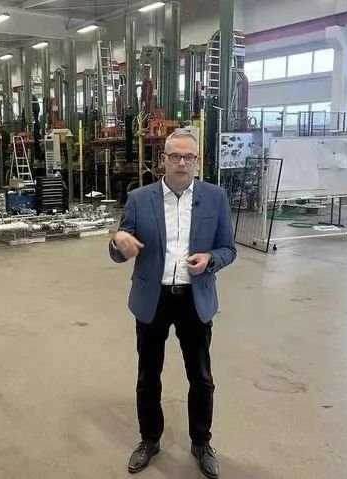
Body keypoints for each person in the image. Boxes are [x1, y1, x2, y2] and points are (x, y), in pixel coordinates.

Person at [109, 130, 237, 478]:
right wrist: (119, 242)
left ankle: (201, 442)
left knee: (201, 377)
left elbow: (228, 249)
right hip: (154, 299)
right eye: (175, 156)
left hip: (195, 299)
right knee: (148, 375)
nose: (182, 163)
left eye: (188, 157)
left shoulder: (215, 198)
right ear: (163, 159)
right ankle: (150, 439)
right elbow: (119, 248)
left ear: (197, 161)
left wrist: (210, 259)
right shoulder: (139, 199)